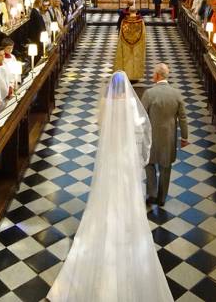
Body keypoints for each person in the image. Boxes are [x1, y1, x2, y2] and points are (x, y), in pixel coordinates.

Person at [47, 71, 173, 302]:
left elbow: (100, 124)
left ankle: (105, 222)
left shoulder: (106, 103)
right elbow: (141, 129)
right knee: (126, 189)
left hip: (109, 157)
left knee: (106, 191)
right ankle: (126, 223)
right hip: (125, 156)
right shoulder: (131, 106)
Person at [142, 63, 188, 207]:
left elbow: (142, 116)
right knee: (166, 167)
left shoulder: (149, 94)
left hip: (151, 138)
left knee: (149, 165)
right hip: (169, 138)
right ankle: (162, 198)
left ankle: (152, 194)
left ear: (157, 76)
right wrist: (185, 137)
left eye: (153, 73)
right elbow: (183, 117)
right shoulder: (176, 94)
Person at [114, 7, 146, 82]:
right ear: (136, 11)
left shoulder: (124, 21)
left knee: (127, 59)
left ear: (128, 11)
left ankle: (127, 75)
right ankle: (135, 77)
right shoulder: (141, 22)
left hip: (126, 44)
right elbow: (143, 34)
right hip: (137, 44)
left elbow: (121, 34)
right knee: (135, 58)